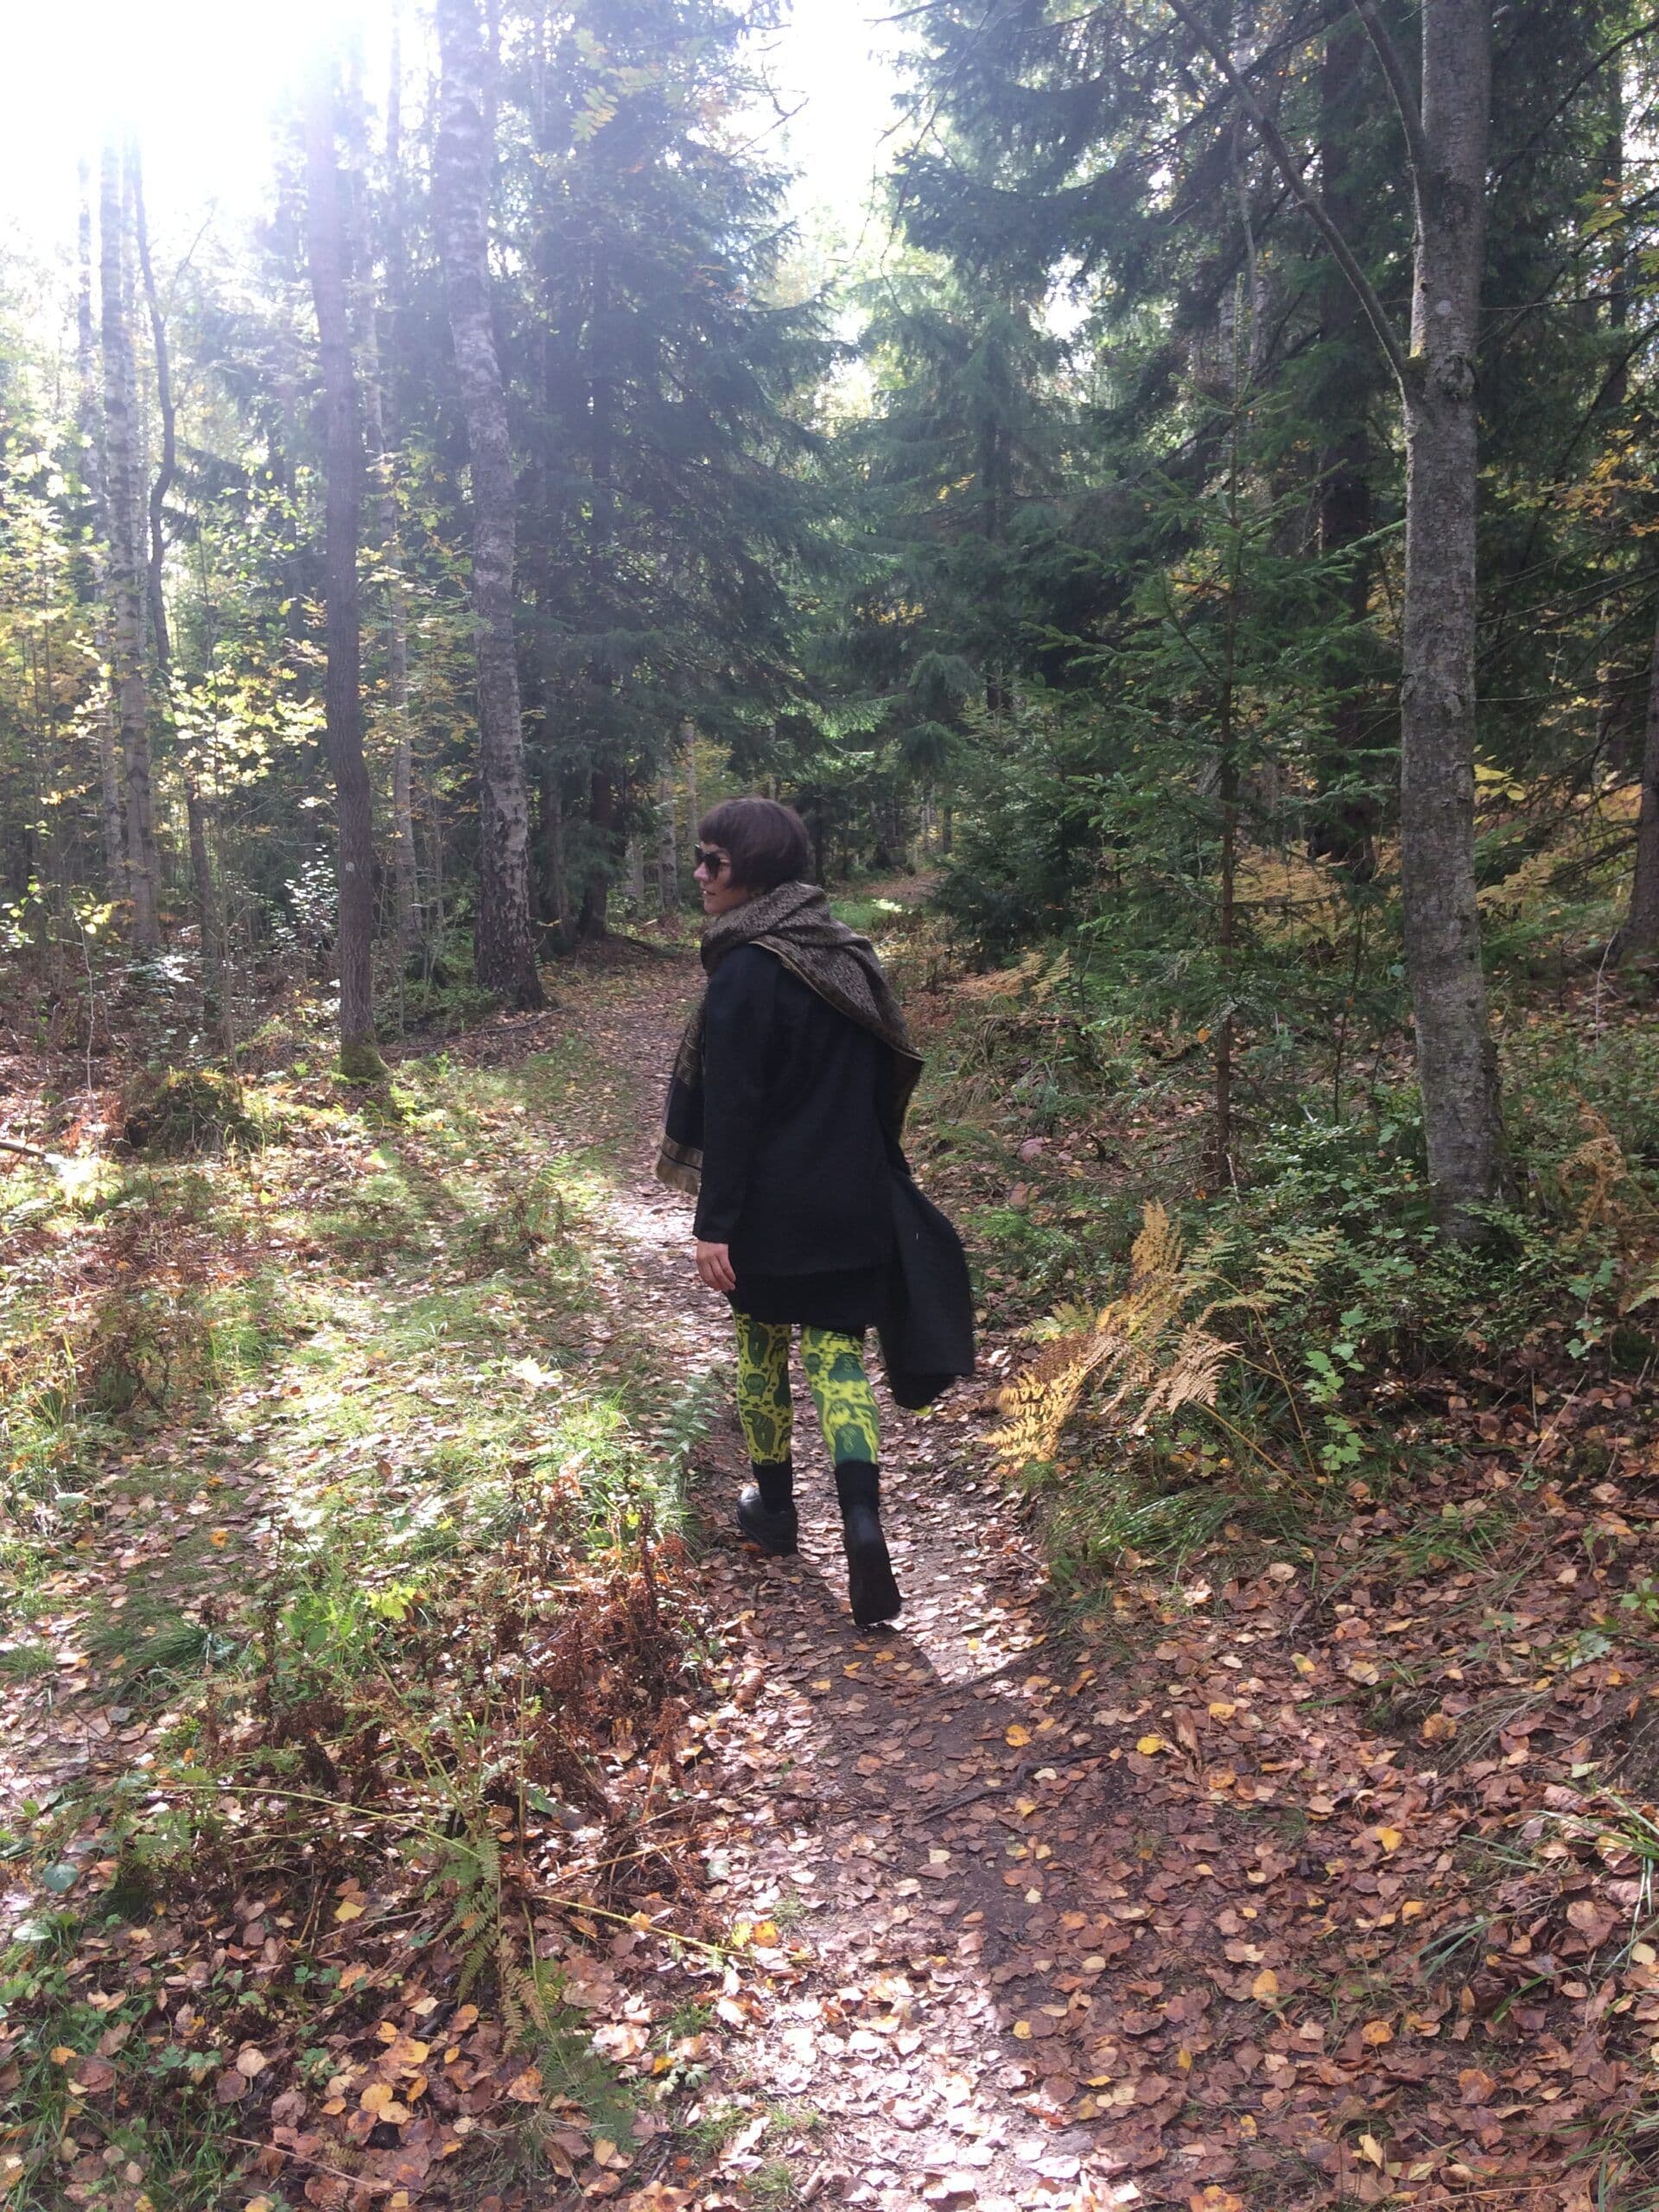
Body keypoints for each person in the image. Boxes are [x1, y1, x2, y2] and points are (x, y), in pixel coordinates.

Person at [656, 796, 924, 1626]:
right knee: (839, 1361)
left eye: (714, 862)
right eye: (700, 859)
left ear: (755, 871)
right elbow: (888, 1076)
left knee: (762, 1353)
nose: (699, 875)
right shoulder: (845, 954)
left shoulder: (745, 971)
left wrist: (714, 1224)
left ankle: (774, 1512)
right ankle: (864, 1525)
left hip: (771, 1212)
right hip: (852, 1199)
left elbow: (733, 1111)